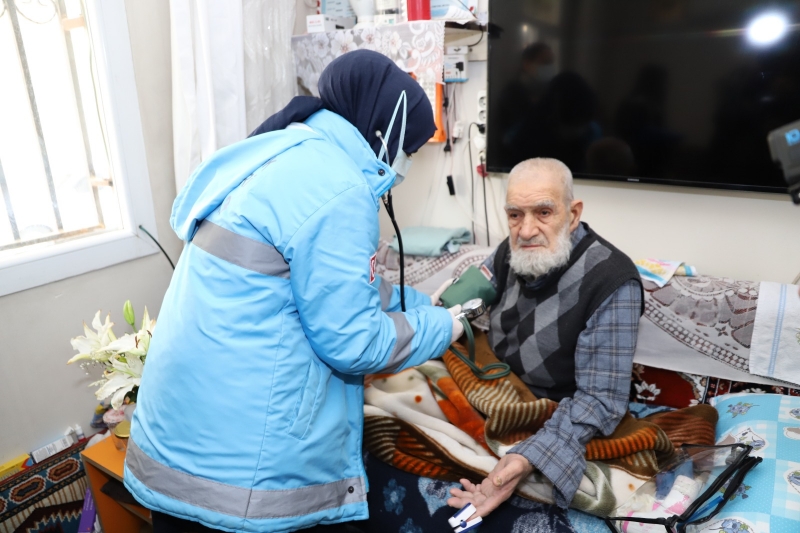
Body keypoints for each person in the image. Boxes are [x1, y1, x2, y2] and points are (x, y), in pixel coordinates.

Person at [124, 50, 463, 533]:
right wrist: (443, 325)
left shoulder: (277, 152)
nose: (405, 164)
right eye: (409, 149)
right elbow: (355, 343)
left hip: (174, 445)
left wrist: (420, 302)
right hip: (242, 481)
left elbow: (328, 283)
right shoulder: (340, 190)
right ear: (383, 134)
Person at [448, 157, 643, 518]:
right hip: (498, 386)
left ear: (572, 214)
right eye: (515, 215)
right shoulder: (510, 250)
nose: (525, 230)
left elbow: (601, 400)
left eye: (543, 212)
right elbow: (466, 297)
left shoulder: (612, 280)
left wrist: (526, 458)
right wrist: (428, 315)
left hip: (556, 408)